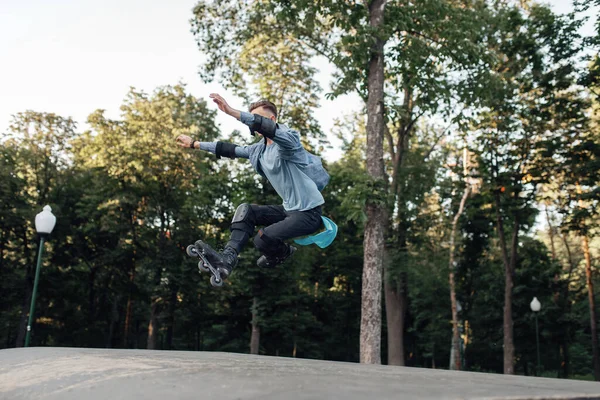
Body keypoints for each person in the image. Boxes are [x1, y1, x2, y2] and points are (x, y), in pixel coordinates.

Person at [175, 93, 329, 279]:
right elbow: (229, 149)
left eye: (257, 119)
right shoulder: (258, 150)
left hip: (309, 213)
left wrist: (231, 112)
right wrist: (194, 144)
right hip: (289, 210)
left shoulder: (289, 141)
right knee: (246, 211)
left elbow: (265, 127)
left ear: (271, 119)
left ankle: (283, 251)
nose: (253, 124)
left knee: (263, 238)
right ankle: (227, 259)